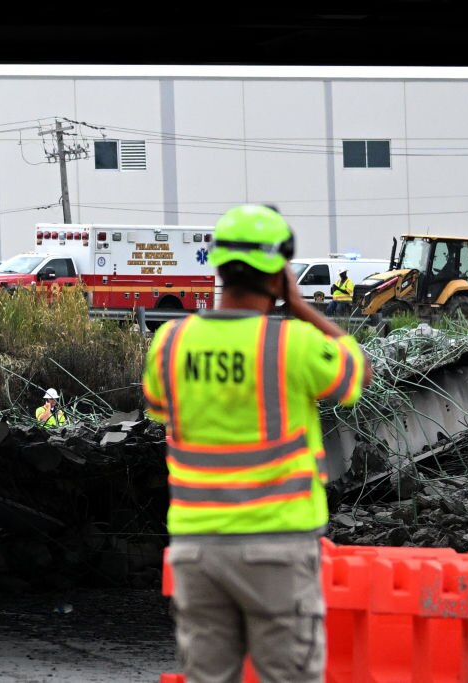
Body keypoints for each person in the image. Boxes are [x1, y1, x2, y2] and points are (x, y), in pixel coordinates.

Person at [142, 204, 371, 683]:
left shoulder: (169, 343)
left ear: (218, 265)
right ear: (277, 273)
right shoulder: (293, 344)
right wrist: (304, 308)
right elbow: (357, 374)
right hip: (276, 548)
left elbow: (160, 411)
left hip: (196, 549)